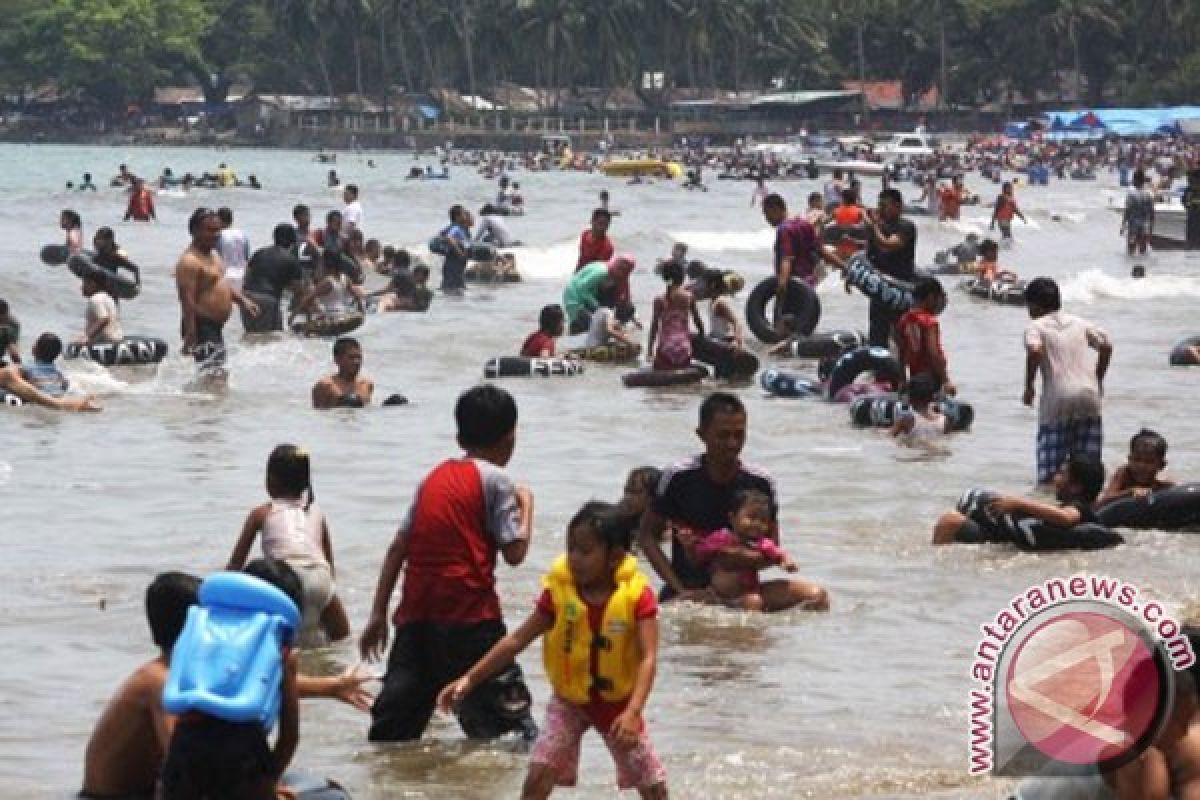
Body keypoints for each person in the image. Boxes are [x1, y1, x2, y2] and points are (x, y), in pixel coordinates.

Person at [436, 502, 668, 799]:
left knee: (651, 786)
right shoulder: (559, 594)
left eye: (585, 552)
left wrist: (634, 711)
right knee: (539, 775)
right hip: (570, 701)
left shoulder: (637, 597)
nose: (575, 559)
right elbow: (516, 641)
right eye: (570, 549)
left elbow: (648, 658)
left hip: (619, 705)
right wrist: (470, 678)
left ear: (614, 556)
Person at [360, 385, 537, 742]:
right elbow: (515, 554)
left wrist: (378, 614)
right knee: (512, 735)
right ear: (511, 437)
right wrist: (527, 504)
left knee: (392, 736)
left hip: (416, 620)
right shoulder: (497, 479)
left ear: (459, 435)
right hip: (470, 621)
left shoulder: (432, 477)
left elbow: (398, 547)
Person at [638, 392, 827, 609]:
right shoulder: (678, 477)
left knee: (816, 596)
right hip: (691, 588)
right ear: (701, 434)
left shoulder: (760, 482)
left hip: (745, 591)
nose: (732, 443)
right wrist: (680, 588)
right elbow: (647, 537)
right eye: (723, 435)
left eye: (739, 435)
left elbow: (773, 548)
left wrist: (732, 557)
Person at [158, 559, 301, 800]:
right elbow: (289, 737)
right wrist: (269, 781)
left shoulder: (201, 634)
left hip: (185, 748)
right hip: (245, 754)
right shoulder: (282, 653)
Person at [228, 445, 351, 644]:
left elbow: (235, 564)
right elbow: (328, 563)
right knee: (341, 637)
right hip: (320, 578)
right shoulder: (317, 513)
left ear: (271, 480)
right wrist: (327, 592)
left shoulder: (261, 513)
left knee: (278, 641)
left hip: (284, 579)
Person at [1023, 277, 1112, 486]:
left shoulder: (1035, 327)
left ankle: (1050, 510)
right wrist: (1098, 377)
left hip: (1057, 401)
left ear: (1033, 305)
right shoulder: (1079, 322)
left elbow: (1035, 351)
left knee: (1050, 475)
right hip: (1089, 397)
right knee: (1087, 470)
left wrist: (1029, 386)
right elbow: (1107, 345)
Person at [689, 490, 821, 612]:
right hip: (715, 592)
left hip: (746, 592)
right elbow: (699, 554)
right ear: (732, 518)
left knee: (754, 601)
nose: (757, 523)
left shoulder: (761, 543)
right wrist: (689, 544)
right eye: (751, 517)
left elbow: (778, 553)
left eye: (763, 520)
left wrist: (786, 562)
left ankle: (750, 630)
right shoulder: (719, 537)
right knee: (687, 598)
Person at [931, 454, 1106, 545]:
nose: (1055, 478)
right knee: (952, 521)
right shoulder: (1069, 505)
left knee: (949, 521)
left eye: (1061, 473)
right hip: (1011, 537)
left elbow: (1067, 518)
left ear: (1076, 487)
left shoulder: (1079, 508)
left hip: (1014, 539)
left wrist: (1018, 503)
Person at [175, 208, 260, 378]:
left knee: (216, 374)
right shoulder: (189, 261)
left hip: (214, 327)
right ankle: (203, 404)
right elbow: (187, 299)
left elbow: (221, 285)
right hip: (201, 326)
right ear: (194, 231)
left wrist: (243, 300)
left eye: (218, 230)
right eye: (210, 230)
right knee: (214, 377)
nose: (216, 234)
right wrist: (191, 334)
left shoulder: (214, 255)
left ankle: (206, 403)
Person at [761, 194, 845, 315]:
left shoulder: (784, 229)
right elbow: (822, 251)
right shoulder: (804, 224)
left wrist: (782, 286)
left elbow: (787, 259)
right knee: (802, 327)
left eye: (766, 213)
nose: (766, 218)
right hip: (809, 286)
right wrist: (845, 267)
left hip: (792, 287)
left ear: (776, 209)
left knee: (783, 328)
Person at [863, 188, 918, 347]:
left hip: (899, 290)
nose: (880, 209)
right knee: (876, 336)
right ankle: (879, 369)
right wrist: (854, 276)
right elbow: (870, 255)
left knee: (901, 337)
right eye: (879, 205)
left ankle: (901, 369)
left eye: (884, 205)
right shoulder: (879, 227)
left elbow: (888, 245)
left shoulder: (906, 226)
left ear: (898, 206)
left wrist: (873, 227)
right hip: (879, 290)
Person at [895, 276, 953, 395]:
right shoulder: (928, 321)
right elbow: (933, 353)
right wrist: (946, 380)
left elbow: (901, 353)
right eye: (939, 299)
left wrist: (902, 380)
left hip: (915, 377)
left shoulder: (904, 319)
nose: (939, 304)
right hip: (931, 378)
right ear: (931, 297)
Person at [242, 224, 303, 332]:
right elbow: (298, 291)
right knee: (271, 336)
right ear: (292, 241)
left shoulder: (259, 253)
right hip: (268, 299)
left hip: (246, 297)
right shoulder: (292, 260)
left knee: (251, 334)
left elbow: (247, 275)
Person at [647, 259, 703, 371]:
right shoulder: (689, 296)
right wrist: (702, 337)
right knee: (681, 378)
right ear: (682, 277)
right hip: (684, 347)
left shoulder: (659, 299)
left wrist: (649, 350)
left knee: (661, 378)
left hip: (665, 348)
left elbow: (654, 327)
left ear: (665, 278)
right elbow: (698, 321)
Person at [1096, 429, 1174, 506]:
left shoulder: (1162, 486)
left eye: (1149, 462)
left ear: (1162, 465)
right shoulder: (1124, 473)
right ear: (1129, 459)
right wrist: (1130, 492)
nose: (1141, 466)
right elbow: (1104, 501)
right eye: (1136, 459)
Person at [563, 255, 636, 335]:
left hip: (592, 295)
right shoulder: (602, 272)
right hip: (575, 298)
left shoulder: (620, 277)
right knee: (589, 325)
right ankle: (577, 330)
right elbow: (582, 289)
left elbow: (626, 298)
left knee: (628, 307)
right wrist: (599, 308)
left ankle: (616, 327)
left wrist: (633, 317)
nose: (620, 277)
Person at [291, 250, 365, 323]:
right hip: (344, 313)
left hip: (331, 316)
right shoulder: (345, 278)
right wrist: (361, 310)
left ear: (326, 263)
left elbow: (308, 299)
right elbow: (357, 296)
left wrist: (292, 315)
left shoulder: (327, 282)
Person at [311, 337, 374, 409]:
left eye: (359, 357)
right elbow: (317, 415)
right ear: (337, 360)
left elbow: (367, 411)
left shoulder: (366, 385)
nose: (357, 362)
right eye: (351, 357)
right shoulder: (325, 386)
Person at [888, 374, 950, 441]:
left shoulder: (906, 419)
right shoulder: (944, 420)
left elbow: (889, 437)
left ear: (910, 398)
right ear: (932, 398)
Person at [586, 284, 642, 352]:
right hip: (596, 348)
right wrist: (631, 343)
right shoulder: (608, 313)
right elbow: (610, 330)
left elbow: (618, 331)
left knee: (621, 337)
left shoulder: (602, 310)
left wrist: (625, 335)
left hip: (590, 345)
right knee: (623, 342)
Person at [436, 204, 473, 292]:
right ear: (457, 217)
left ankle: (452, 304)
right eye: (464, 214)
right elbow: (449, 238)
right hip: (453, 264)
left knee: (453, 288)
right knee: (451, 288)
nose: (466, 215)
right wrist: (459, 252)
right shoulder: (456, 228)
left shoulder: (459, 228)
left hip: (455, 264)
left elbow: (442, 235)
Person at [80, 272, 123, 344]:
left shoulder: (95, 299)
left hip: (104, 342)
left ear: (93, 284)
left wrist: (87, 336)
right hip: (117, 338)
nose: (81, 288)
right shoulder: (107, 297)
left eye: (85, 283)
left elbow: (103, 319)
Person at [1120, 169, 1155, 256]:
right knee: (1143, 251)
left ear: (1135, 180)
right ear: (1143, 181)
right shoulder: (1149, 194)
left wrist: (1123, 225)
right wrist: (1151, 230)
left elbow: (1127, 211)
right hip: (1145, 226)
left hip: (1133, 227)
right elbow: (1152, 214)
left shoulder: (1131, 195)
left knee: (1131, 251)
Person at [22, 333, 68, 397]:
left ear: (36, 349)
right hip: (56, 395)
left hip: (38, 393)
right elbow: (65, 385)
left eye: (35, 343)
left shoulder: (27, 367)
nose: (33, 345)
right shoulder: (58, 373)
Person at [216, 207, 251, 287]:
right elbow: (246, 257)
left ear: (218, 219)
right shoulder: (242, 235)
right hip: (242, 275)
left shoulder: (219, 236)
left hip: (225, 276)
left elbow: (216, 257)